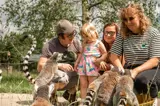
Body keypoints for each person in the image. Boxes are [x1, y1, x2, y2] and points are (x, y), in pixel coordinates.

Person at [109, 3, 160, 101]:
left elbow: (155, 60)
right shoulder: (122, 34)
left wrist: (136, 71)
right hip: (129, 68)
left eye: (131, 18)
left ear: (140, 17)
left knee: (141, 80)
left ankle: (155, 101)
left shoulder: (153, 33)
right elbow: (113, 55)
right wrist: (120, 69)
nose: (128, 22)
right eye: (125, 19)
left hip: (152, 69)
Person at [37, 19, 81, 103]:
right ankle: (52, 96)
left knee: (88, 73)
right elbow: (40, 67)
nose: (73, 37)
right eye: (69, 35)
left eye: (73, 33)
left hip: (72, 76)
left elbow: (82, 57)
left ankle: (70, 94)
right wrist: (59, 65)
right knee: (61, 76)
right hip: (58, 78)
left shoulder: (76, 43)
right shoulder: (50, 45)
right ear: (60, 36)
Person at [74, 23, 107, 102]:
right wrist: (77, 62)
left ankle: (92, 101)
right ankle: (83, 101)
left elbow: (105, 53)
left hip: (92, 65)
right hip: (83, 65)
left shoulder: (98, 43)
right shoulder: (85, 43)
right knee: (83, 84)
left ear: (94, 33)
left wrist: (100, 60)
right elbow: (81, 54)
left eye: (87, 36)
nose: (86, 39)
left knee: (92, 85)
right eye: (84, 37)